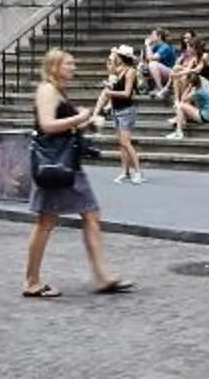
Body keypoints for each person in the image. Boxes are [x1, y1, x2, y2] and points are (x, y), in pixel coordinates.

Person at [21, 48, 128, 299]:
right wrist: (81, 116)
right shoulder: (47, 90)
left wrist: (86, 123)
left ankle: (102, 276)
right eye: (68, 64)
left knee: (90, 215)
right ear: (55, 66)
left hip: (66, 165)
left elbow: (60, 123)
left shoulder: (56, 90)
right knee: (46, 221)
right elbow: (47, 125)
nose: (73, 67)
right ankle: (31, 281)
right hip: (55, 165)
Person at [101, 47, 144, 183]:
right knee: (121, 143)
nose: (116, 57)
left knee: (126, 142)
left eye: (118, 56)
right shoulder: (120, 71)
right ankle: (125, 171)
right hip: (117, 109)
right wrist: (110, 86)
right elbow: (110, 69)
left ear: (123, 57)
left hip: (126, 109)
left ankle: (138, 172)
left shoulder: (130, 71)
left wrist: (110, 93)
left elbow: (127, 93)